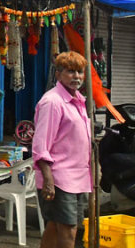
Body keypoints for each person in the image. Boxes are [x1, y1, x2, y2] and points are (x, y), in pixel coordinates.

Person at [32, 51, 92, 248]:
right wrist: (48, 180)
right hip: (59, 178)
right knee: (68, 229)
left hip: (79, 176)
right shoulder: (52, 102)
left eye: (80, 72)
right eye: (70, 71)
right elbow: (41, 145)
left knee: (55, 227)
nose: (76, 77)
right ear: (58, 74)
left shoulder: (79, 101)